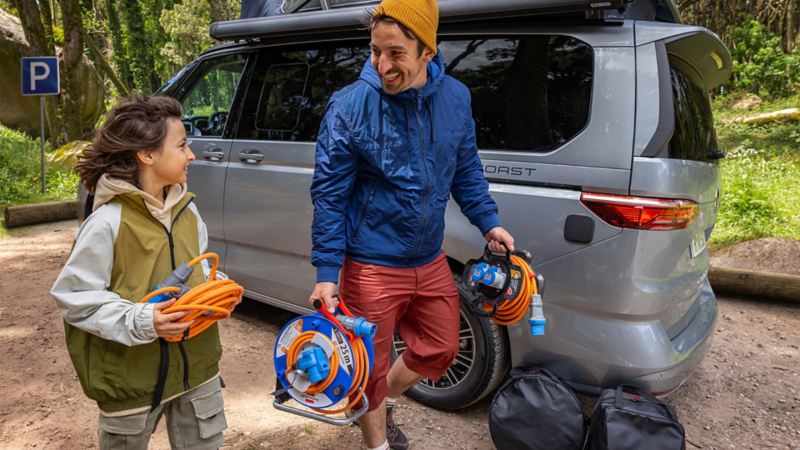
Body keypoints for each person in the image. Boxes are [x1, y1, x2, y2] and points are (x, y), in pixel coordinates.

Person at [308, 1, 515, 449]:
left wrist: (489, 223)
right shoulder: (349, 106)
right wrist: (327, 274)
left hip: (429, 258)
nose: (383, 65)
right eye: (375, 52)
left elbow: (465, 170)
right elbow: (330, 195)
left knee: (441, 348)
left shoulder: (456, 98)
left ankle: (379, 401)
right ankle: (378, 441)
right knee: (371, 365)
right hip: (371, 264)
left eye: (396, 53)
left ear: (427, 51)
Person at [51, 95, 233, 450]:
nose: (191, 155)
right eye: (181, 146)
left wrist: (215, 292)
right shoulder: (106, 222)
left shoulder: (188, 212)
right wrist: (145, 321)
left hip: (197, 372)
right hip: (129, 381)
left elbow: (199, 274)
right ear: (147, 155)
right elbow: (75, 299)